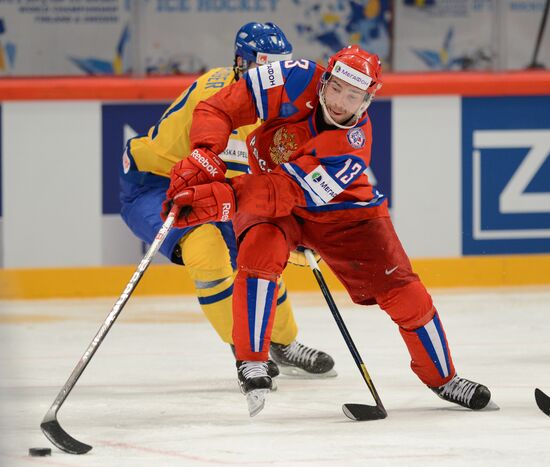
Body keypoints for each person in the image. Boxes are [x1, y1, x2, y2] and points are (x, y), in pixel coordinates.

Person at [162, 45, 493, 416]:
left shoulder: (351, 148)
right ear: (325, 79)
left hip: (345, 215)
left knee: (406, 293)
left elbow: (283, 193)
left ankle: (444, 378)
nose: (339, 102)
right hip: (270, 194)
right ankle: (251, 361)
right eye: (335, 88)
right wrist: (204, 153)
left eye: (353, 96)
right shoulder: (295, 76)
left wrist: (217, 199)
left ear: (367, 100)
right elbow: (218, 106)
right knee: (259, 251)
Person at [119, 22, 336, 381]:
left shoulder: (286, 104)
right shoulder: (216, 97)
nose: (273, 78)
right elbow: (222, 173)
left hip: (217, 185)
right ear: (240, 63)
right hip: (158, 183)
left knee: (263, 248)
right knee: (206, 251)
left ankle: (282, 343)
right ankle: (246, 349)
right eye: (264, 68)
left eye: (279, 69)